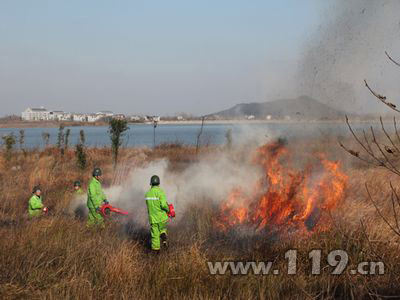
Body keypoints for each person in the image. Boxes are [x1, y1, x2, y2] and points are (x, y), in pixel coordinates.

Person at [145, 175, 170, 252]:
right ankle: (163, 235)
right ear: (158, 183)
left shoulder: (147, 193)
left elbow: (148, 206)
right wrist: (168, 209)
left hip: (153, 218)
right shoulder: (161, 192)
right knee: (162, 228)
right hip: (162, 217)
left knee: (155, 236)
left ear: (151, 183)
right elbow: (163, 204)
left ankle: (156, 253)